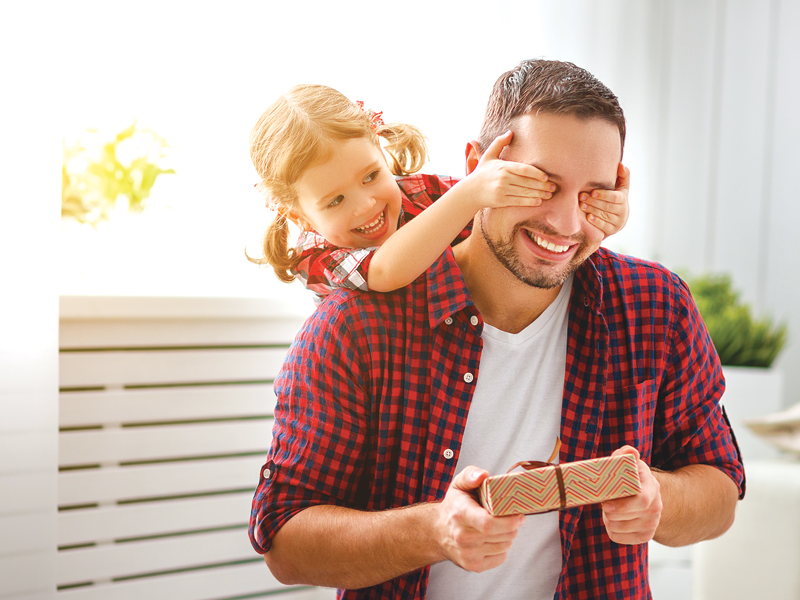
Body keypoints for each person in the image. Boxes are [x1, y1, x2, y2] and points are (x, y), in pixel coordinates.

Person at [248, 60, 745, 600]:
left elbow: (720, 489)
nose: (565, 223)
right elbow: (285, 541)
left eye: (591, 195)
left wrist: (659, 499)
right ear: (477, 170)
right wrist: (433, 530)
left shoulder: (654, 306)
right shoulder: (353, 327)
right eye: (539, 185)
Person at [248, 84, 629, 302]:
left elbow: (504, 211)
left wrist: (597, 209)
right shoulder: (317, 257)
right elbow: (383, 270)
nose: (367, 204)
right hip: (389, 364)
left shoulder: (421, 193)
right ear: (299, 216)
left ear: (382, 150)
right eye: (335, 201)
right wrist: (470, 193)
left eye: (370, 176)